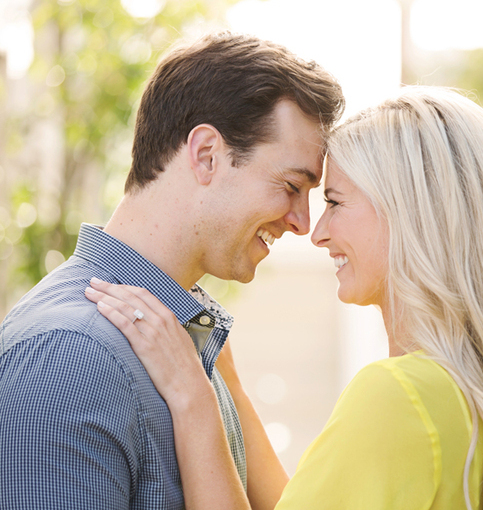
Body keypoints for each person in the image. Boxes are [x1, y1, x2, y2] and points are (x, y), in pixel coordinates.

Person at [85, 87, 483, 510]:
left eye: (335, 202)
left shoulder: (396, 397)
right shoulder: (466, 392)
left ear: (408, 213)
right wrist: (226, 382)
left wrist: (192, 397)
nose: (316, 232)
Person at [0, 31, 344, 509]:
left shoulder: (187, 345)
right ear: (206, 155)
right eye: (290, 185)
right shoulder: (69, 359)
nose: (302, 223)